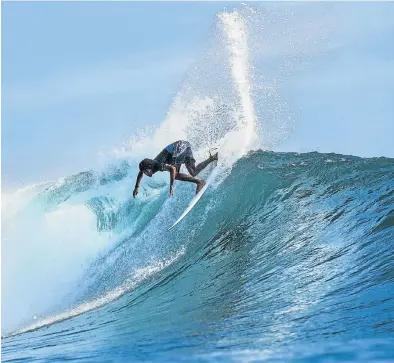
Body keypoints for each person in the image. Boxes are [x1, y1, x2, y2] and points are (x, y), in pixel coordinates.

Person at [133, 140, 218, 198]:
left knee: (175, 174)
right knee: (193, 172)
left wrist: (171, 186)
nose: (145, 174)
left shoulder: (158, 165)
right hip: (184, 145)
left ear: (150, 167)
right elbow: (140, 173)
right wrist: (136, 187)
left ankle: (199, 182)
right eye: (144, 172)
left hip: (178, 148)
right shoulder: (149, 167)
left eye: (146, 171)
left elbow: (172, 169)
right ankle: (213, 158)